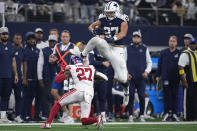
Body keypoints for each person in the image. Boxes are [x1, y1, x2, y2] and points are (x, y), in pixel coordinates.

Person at [70, 1, 130, 106]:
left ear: (116, 11)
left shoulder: (123, 19)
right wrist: (95, 32)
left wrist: (111, 38)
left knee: (122, 78)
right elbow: (91, 26)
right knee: (96, 39)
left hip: (118, 50)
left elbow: (123, 33)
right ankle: (82, 54)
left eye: (111, 12)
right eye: (108, 12)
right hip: (107, 47)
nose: (109, 14)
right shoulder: (102, 17)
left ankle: (126, 92)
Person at [41, 59, 107, 129]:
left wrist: (62, 71)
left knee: (58, 103)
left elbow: (57, 80)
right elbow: (100, 78)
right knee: (84, 120)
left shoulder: (72, 67)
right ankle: (98, 119)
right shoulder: (91, 67)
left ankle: (48, 123)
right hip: (89, 93)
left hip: (79, 90)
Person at [49, 30, 75, 123]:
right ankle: (65, 112)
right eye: (63, 36)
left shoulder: (74, 47)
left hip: (68, 74)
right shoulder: (57, 46)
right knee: (53, 92)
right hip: (58, 73)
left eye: (66, 36)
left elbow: (77, 59)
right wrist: (52, 59)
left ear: (69, 37)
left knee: (69, 94)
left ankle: (71, 117)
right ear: (60, 37)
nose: (64, 38)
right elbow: (54, 56)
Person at [126, 30, 152, 122]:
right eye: (134, 37)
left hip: (141, 77)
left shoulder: (145, 48)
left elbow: (149, 62)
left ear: (140, 38)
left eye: (137, 37)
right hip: (131, 77)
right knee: (131, 96)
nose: (136, 38)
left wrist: (146, 72)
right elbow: (123, 62)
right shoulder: (127, 48)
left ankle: (141, 115)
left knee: (141, 96)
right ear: (132, 38)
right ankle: (130, 115)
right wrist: (126, 73)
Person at [156, 35, 180, 122]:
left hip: (176, 79)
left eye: (174, 41)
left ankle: (174, 114)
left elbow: (181, 67)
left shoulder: (179, 53)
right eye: (170, 41)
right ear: (168, 42)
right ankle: (166, 113)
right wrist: (158, 76)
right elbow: (159, 65)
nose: (172, 42)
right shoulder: (163, 52)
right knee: (166, 97)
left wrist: (182, 78)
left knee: (175, 97)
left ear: (176, 43)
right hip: (165, 78)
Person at [37, 35, 58, 120]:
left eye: (53, 41)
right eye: (50, 41)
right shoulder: (44, 50)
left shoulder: (59, 51)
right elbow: (40, 64)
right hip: (48, 76)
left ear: (56, 42)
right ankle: (48, 115)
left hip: (58, 77)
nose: (52, 43)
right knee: (47, 97)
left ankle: (57, 114)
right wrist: (40, 78)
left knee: (57, 96)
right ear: (48, 41)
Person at [0, 27, 18, 123]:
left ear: (8, 35)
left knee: (5, 96)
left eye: (6, 34)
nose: (4, 35)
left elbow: (13, 62)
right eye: (3, 34)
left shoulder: (11, 47)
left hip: (8, 76)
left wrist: (15, 75)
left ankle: (3, 117)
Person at [22, 32, 40, 122]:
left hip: (36, 79)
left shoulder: (38, 50)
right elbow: (22, 65)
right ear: (27, 40)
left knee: (36, 97)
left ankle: (35, 116)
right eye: (30, 39)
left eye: (33, 38)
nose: (32, 40)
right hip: (27, 78)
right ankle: (26, 116)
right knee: (27, 98)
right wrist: (24, 78)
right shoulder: (24, 50)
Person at [178, 38, 197, 121]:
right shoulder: (185, 54)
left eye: (194, 44)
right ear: (188, 44)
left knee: (195, 101)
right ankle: (187, 117)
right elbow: (180, 67)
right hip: (189, 81)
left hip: (196, 81)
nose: (193, 45)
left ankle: (194, 117)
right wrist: (184, 81)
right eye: (191, 44)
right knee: (188, 101)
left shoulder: (196, 53)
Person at [12, 33, 24, 123]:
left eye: (19, 38)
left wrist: (24, 77)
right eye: (16, 38)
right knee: (5, 96)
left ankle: (18, 115)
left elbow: (24, 65)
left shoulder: (22, 50)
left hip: (19, 77)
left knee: (18, 97)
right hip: (7, 76)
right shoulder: (9, 49)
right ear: (13, 39)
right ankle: (3, 115)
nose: (18, 40)